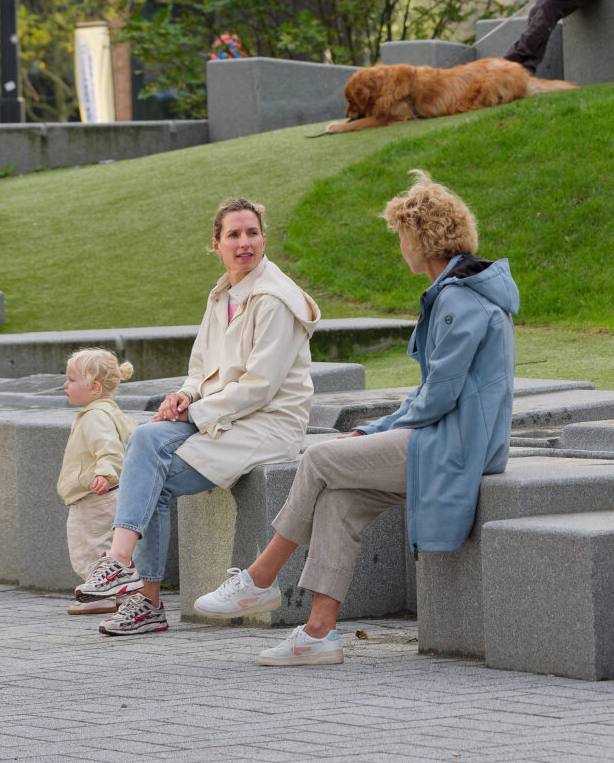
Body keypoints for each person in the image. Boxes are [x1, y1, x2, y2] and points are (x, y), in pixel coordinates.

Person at [192, 170, 518, 666]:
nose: (401, 248)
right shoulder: (460, 291)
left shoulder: (457, 299)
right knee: (340, 499)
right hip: (448, 438)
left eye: (402, 237)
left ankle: (259, 579)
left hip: (453, 444)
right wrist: (381, 427)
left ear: (420, 239)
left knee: (321, 459)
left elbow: (439, 397)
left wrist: (380, 428)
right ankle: (319, 634)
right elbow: (435, 391)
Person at [75, 197, 320, 636]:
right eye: (234, 235)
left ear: (264, 239)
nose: (244, 242)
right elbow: (199, 367)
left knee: (148, 453)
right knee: (150, 464)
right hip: (226, 417)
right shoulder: (222, 295)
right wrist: (184, 396)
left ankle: (123, 572)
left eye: (252, 233)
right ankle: (137, 592)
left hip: (267, 425)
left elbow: (261, 386)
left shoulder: (275, 300)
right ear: (216, 243)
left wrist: (195, 413)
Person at [57, 347, 135, 616]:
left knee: (87, 546)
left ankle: (100, 594)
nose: (65, 384)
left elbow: (109, 448)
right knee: (107, 544)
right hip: (112, 493)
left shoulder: (94, 416)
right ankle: (119, 590)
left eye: (71, 379)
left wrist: (105, 473)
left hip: (95, 495)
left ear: (94, 387)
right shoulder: (112, 412)